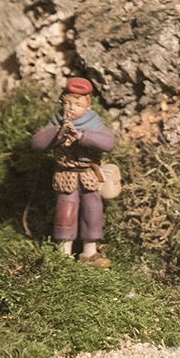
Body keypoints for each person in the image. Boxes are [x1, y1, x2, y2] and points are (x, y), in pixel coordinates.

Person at [29, 76, 116, 266]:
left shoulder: (94, 123)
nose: (70, 107)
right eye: (67, 102)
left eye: (77, 103)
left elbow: (109, 142)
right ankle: (64, 253)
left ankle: (90, 252)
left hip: (88, 175)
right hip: (66, 175)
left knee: (92, 211)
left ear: (88, 107)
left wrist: (83, 137)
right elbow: (37, 143)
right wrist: (58, 133)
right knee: (65, 211)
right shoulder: (57, 122)